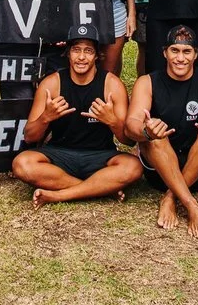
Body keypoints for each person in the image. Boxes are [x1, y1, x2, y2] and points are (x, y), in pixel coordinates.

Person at [125, 26, 198, 239]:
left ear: (196, 54)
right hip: (159, 172)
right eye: (175, 51)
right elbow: (131, 125)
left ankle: (171, 197)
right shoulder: (147, 82)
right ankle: (190, 204)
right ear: (164, 52)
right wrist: (146, 130)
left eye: (187, 52)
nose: (180, 58)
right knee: (155, 136)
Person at [12, 25, 142, 206]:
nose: (81, 57)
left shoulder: (111, 85)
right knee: (22, 163)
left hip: (100, 155)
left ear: (97, 55)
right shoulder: (52, 84)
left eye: (88, 51)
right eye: (76, 50)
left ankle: (60, 195)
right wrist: (45, 118)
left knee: (133, 167)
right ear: (68, 53)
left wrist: (112, 121)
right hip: (60, 155)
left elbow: (129, 142)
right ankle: (100, 188)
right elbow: (29, 137)